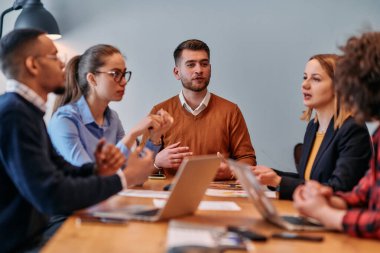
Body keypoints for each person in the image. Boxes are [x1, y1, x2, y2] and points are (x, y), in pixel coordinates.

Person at [0, 29, 154, 252]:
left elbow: (60, 170)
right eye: (54, 57)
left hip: (34, 235)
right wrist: (123, 178)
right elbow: (51, 195)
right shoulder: (14, 114)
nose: (63, 65)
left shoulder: (25, 111)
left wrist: (98, 170)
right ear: (33, 65)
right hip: (23, 244)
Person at [293, 32, 380, 239]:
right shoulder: (378, 135)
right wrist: (331, 199)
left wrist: (325, 213)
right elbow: (363, 193)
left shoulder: (353, 129)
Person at [252, 54, 371, 199]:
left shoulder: (353, 129)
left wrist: (279, 181)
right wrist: (270, 174)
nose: (305, 84)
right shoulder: (313, 127)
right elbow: (309, 181)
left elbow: (339, 189)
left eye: (316, 79)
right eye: (304, 77)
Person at [48, 44, 173, 166]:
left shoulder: (112, 118)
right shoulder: (64, 120)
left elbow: (133, 173)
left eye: (124, 74)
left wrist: (155, 137)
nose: (124, 82)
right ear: (92, 79)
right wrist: (132, 134)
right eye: (115, 74)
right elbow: (89, 177)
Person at [150, 39, 256, 180]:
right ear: (177, 72)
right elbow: (138, 168)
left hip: (220, 195)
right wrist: (157, 162)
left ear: (210, 69)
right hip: (171, 194)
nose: (199, 70)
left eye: (204, 64)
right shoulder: (160, 112)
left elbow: (247, 159)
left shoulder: (231, 111)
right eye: (191, 65)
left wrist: (231, 171)